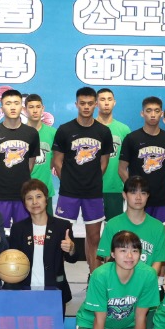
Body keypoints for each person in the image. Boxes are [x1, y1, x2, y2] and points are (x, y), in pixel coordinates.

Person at [94, 176, 165, 329]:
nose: (138, 197)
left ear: (148, 197)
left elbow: (158, 262)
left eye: (143, 192)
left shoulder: (157, 227)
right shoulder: (113, 224)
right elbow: (105, 259)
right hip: (116, 298)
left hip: (145, 295)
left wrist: (144, 285)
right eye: (133, 192)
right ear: (124, 195)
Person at [53, 87, 114, 271]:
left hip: (92, 193)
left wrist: (91, 180)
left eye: (89, 103)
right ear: (76, 104)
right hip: (68, 193)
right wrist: (69, 181)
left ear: (95, 104)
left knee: (94, 237)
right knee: (62, 236)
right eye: (82, 103)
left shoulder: (103, 131)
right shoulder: (65, 130)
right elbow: (57, 161)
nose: (86, 107)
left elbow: (104, 163)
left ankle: (93, 278)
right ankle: (57, 277)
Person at [6, 179, 77, 308]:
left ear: (46, 199)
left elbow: (72, 259)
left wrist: (71, 248)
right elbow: (12, 261)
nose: (35, 202)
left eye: (39, 196)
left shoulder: (62, 226)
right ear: (24, 203)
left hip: (54, 290)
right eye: (29, 198)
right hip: (24, 291)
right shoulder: (18, 229)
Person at [0, 89, 40, 228]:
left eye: (16, 103)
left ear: (22, 107)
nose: (13, 107)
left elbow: (30, 163)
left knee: (23, 233)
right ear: (2, 107)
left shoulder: (31, 133)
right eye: (8, 103)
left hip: (23, 194)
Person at [118, 97, 165, 226]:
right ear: (142, 113)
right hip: (137, 200)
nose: (153, 114)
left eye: (156, 111)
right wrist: (135, 190)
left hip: (161, 198)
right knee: (137, 236)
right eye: (149, 110)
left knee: (160, 235)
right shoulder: (131, 138)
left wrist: (159, 186)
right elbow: (122, 169)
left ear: (161, 114)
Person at [96, 88, 132, 221]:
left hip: (115, 187)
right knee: (92, 228)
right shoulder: (89, 127)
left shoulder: (124, 129)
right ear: (96, 103)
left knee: (113, 227)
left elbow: (130, 162)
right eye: (102, 99)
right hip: (92, 188)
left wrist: (128, 185)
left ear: (114, 102)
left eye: (109, 99)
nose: (106, 103)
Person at [24, 93, 57, 202]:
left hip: (45, 189)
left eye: (38, 107)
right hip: (23, 190)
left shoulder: (53, 133)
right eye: (31, 107)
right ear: (25, 110)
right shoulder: (19, 132)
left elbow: (54, 160)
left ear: (43, 109)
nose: (35, 111)